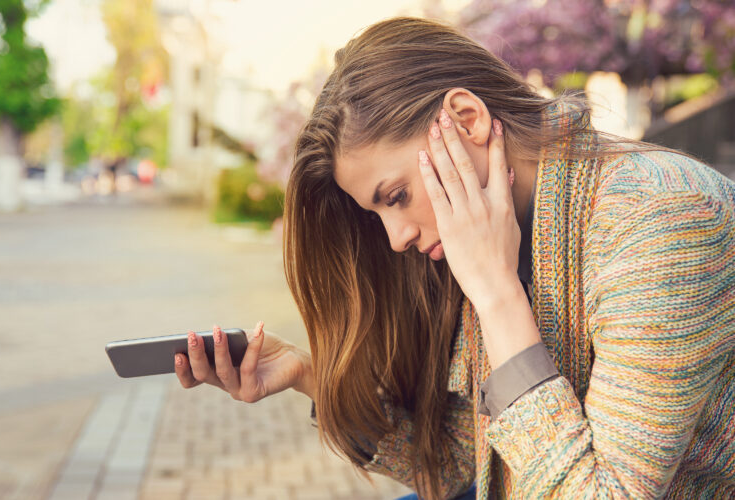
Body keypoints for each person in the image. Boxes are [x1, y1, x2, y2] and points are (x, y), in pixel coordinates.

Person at [174, 17, 735, 500]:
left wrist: (496, 295)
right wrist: (309, 374)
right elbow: (468, 469)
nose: (394, 237)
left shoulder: (663, 218)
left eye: (395, 198)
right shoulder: (510, 231)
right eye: (378, 215)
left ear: (467, 119)